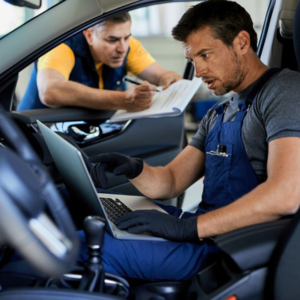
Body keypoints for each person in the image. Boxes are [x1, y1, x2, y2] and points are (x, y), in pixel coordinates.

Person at [80, 0, 300, 281]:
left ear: (242, 42)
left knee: (86, 248)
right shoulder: (219, 112)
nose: (198, 72)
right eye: (192, 60)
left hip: (233, 249)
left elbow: (286, 195)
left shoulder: (285, 92)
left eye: (205, 55)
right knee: (98, 220)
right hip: (205, 233)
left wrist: (187, 228)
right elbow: (170, 181)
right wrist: (133, 167)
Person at [17, 13, 181, 111]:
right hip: (32, 138)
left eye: (127, 37)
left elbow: (161, 75)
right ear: (89, 35)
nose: (122, 48)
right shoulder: (61, 47)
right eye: (112, 40)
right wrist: (123, 100)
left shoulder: (127, 46)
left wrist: (168, 78)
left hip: (79, 134)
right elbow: (50, 91)